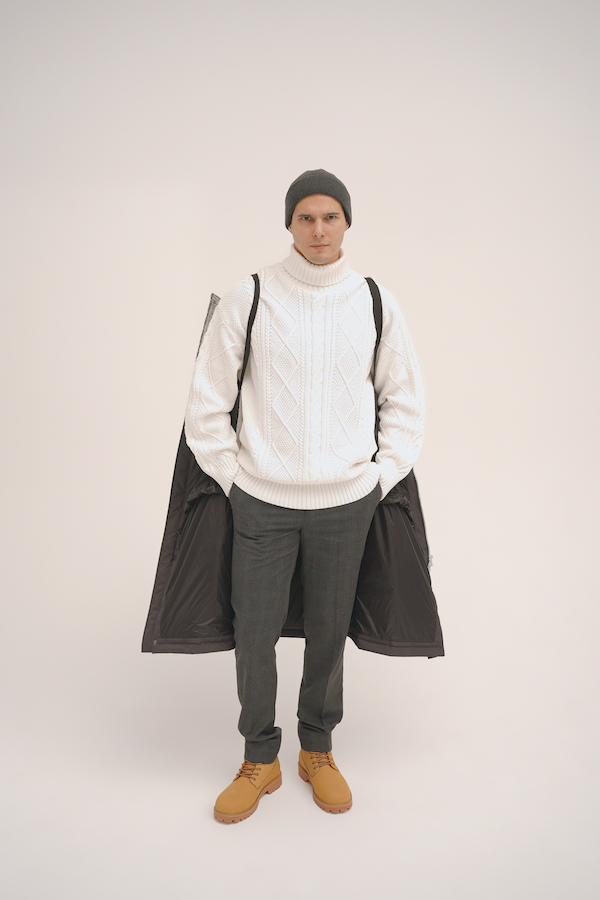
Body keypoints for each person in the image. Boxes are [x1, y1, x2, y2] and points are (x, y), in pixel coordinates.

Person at [184, 169, 425, 823]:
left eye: (330, 217)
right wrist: (235, 480)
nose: (319, 230)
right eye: (306, 217)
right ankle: (259, 758)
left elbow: (403, 398)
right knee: (253, 632)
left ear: (347, 222)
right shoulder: (253, 294)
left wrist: (377, 478)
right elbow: (207, 401)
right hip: (261, 501)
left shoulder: (373, 300)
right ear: (289, 223)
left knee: (328, 632)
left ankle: (316, 749)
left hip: (346, 504)